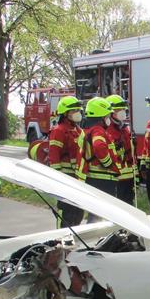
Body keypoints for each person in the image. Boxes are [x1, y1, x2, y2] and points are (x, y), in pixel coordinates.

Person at [48, 95, 86, 226]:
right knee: (66, 212)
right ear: (65, 113)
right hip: (65, 177)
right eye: (74, 110)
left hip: (77, 178)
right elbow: (54, 156)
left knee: (78, 212)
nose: (77, 113)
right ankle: (62, 235)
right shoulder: (59, 131)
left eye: (78, 110)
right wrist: (58, 179)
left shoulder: (79, 131)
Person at [79, 97, 121, 204]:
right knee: (106, 210)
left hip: (94, 178)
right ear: (101, 117)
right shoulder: (98, 130)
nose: (109, 119)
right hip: (103, 179)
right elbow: (99, 146)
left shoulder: (88, 129)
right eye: (107, 116)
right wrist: (108, 164)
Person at [105, 94, 137, 205]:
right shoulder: (106, 130)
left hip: (128, 178)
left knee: (128, 205)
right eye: (118, 109)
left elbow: (132, 154)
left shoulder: (126, 128)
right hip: (115, 177)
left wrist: (135, 175)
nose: (122, 112)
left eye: (123, 109)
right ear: (110, 112)